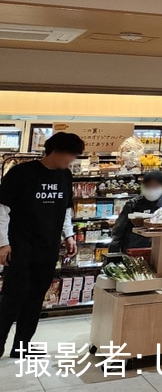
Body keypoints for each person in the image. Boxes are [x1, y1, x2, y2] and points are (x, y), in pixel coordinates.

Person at [0, 132, 82, 358]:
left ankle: (22, 346)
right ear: (56, 151)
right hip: (20, 247)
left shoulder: (65, 175)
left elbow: (66, 209)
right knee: (12, 297)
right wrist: (2, 244)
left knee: (36, 298)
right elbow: (2, 210)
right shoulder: (21, 173)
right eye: (70, 155)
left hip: (47, 248)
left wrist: (69, 235)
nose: (71, 160)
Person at [107, 170, 162, 252]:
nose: (151, 189)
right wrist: (113, 254)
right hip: (136, 250)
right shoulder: (133, 204)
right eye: (148, 186)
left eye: (155, 186)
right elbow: (118, 232)